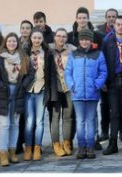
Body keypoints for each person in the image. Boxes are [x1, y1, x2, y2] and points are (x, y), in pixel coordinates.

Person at [65, 28, 108, 160]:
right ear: (79, 40)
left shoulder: (98, 54)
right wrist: (72, 85)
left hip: (92, 94)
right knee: (80, 121)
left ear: (91, 40)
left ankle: (90, 146)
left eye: (87, 39)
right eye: (82, 39)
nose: (84, 42)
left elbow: (103, 72)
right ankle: (81, 147)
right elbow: (68, 72)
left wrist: (96, 85)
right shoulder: (73, 54)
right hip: (77, 94)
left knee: (90, 121)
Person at [0, 32, 32, 167]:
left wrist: (24, 85)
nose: (12, 43)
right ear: (5, 42)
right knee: (4, 124)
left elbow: (30, 74)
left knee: (14, 124)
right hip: (3, 93)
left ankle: (12, 152)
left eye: (14, 41)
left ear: (17, 43)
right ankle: (3, 153)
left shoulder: (24, 57)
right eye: (9, 41)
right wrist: (2, 85)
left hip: (18, 92)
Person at [100, 15, 122, 155]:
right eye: (118, 24)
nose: (120, 27)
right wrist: (104, 81)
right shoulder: (107, 41)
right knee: (115, 113)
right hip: (112, 81)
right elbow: (103, 62)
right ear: (114, 26)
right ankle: (113, 143)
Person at [48, 28, 75, 157]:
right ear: (54, 37)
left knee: (68, 117)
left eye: (64, 36)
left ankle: (67, 142)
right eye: (59, 36)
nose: (61, 38)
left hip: (68, 88)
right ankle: (56, 144)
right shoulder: (48, 49)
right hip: (55, 88)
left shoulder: (72, 50)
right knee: (55, 117)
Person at [24, 28, 49, 161]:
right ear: (31, 38)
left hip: (41, 89)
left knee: (39, 121)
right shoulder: (25, 52)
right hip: (28, 90)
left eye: (39, 38)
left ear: (42, 39)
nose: (37, 40)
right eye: (34, 37)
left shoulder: (46, 53)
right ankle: (28, 147)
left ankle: (37, 147)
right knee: (29, 121)